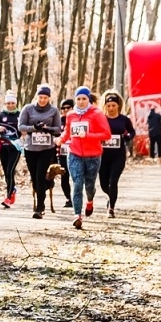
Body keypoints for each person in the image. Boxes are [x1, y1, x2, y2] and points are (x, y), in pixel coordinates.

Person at [60, 86, 110, 228]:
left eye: (84, 99)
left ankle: (90, 200)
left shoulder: (97, 114)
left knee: (89, 185)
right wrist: (61, 139)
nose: (81, 101)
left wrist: (88, 135)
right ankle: (77, 215)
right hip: (74, 153)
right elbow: (67, 131)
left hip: (93, 155)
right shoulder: (71, 115)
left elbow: (106, 134)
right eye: (78, 99)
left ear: (89, 99)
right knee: (77, 184)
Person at [18, 85, 63, 218]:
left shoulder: (54, 111)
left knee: (40, 176)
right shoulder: (28, 109)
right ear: (36, 97)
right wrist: (34, 127)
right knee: (34, 178)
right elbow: (21, 126)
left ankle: (40, 207)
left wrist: (48, 129)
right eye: (41, 97)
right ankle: (44, 190)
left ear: (49, 98)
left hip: (46, 149)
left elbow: (58, 129)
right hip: (30, 149)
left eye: (45, 98)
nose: (42, 100)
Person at [100, 92, 136, 217]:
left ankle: (111, 208)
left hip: (118, 155)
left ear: (118, 105)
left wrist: (128, 137)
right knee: (104, 184)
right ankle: (111, 196)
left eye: (113, 105)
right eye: (108, 105)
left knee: (113, 181)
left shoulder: (124, 119)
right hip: (103, 155)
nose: (111, 108)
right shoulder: (101, 118)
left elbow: (132, 132)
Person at [0, 90, 22, 207]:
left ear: (16, 103)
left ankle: (8, 197)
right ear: (5, 104)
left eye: (12, 103)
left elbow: (25, 128)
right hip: (3, 147)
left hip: (15, 148)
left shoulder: (20, 115)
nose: (10, 105)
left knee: (10, 171)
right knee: (6, 172)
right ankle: (12, 190)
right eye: (8, 103)